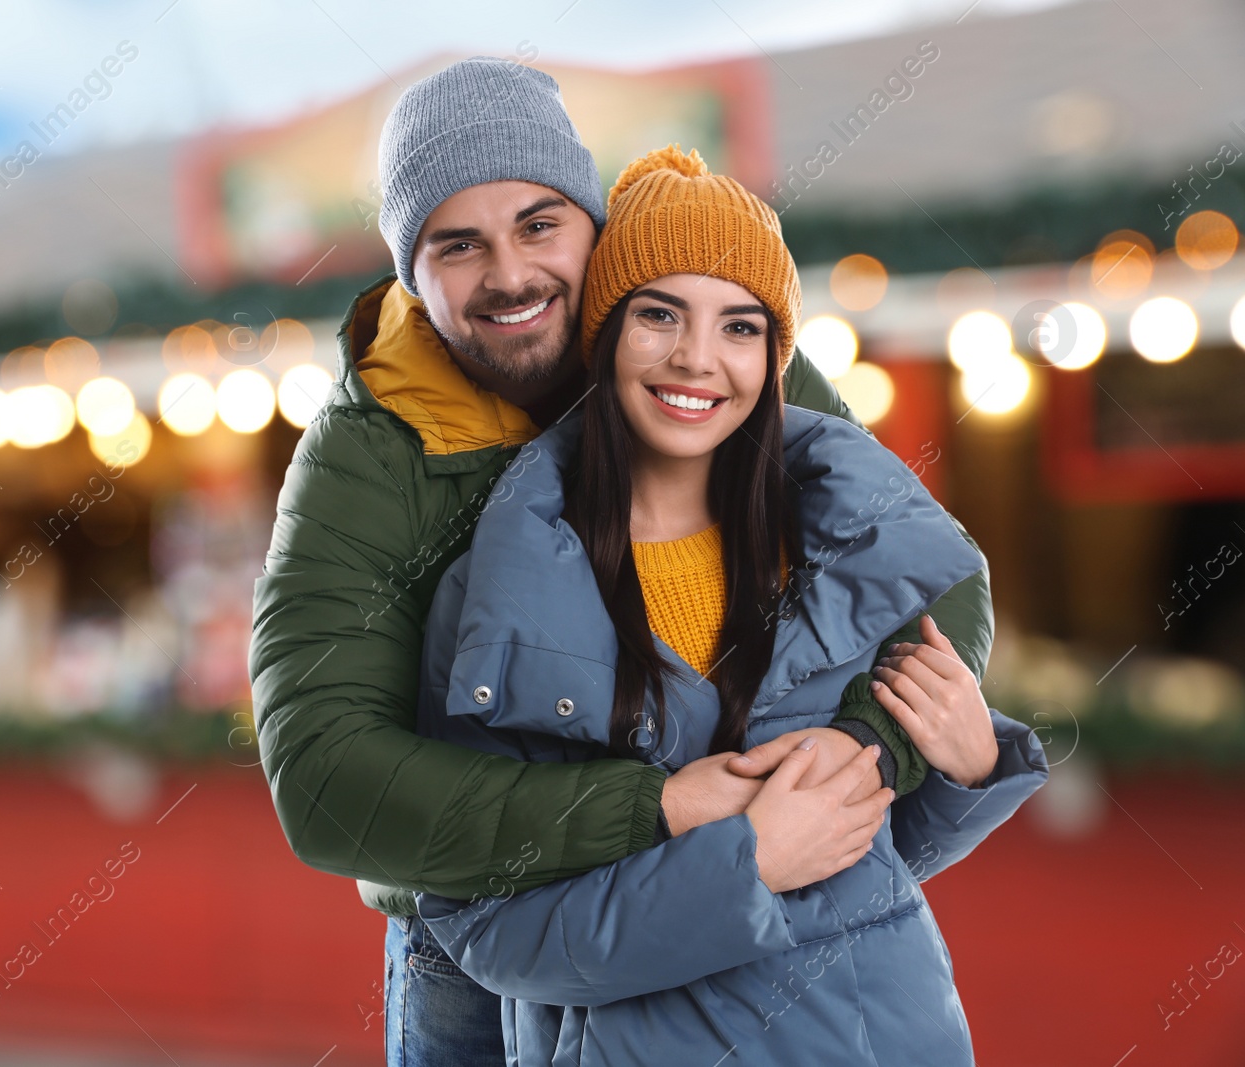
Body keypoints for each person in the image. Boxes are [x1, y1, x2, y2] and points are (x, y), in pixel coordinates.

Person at [247, 58, 996, 1066]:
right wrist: (661, 807)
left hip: (772, 892)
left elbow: (924, 572)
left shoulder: (700, 340)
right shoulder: (367, 452)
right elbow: (324, 773)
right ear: (409, 275)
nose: (509, 273)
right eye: (456, 244)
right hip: (487, 926)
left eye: (539, 223)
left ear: (592, 226)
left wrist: (861, 752)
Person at [410, 146, 1050, 1065]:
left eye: (741, 326)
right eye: (659, 314)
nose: (698, 359)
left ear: (774, 355)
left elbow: (864, 855)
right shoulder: (501, 591)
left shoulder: (830, 547)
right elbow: (489, 929)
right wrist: (745, 865)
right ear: (605, 334)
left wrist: (960, 766)